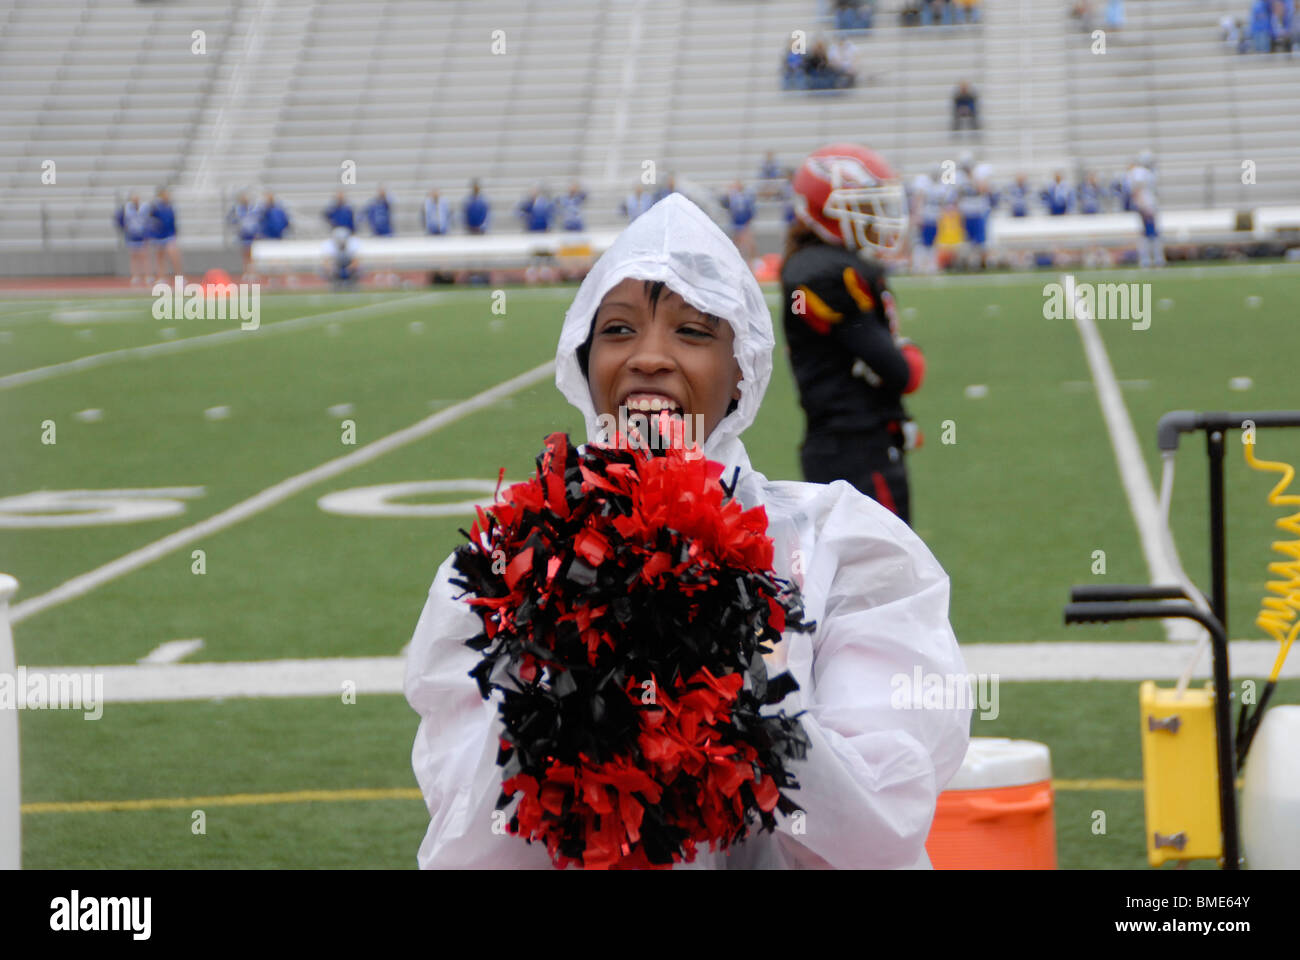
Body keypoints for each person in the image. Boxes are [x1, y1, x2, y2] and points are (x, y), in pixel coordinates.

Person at [404, 191, 971, 869]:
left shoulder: (840, 543)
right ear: (582, 363)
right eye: (617, 330)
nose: (649, 357)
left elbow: (880, 826)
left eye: (693, 331)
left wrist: (735, 681)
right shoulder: (507, 562)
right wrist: (559, 680)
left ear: (742, 371)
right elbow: (473, 840)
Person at [781, 143, 926, 526]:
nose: (874, 216)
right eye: (863, 205)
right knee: (884, 579)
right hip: (854, 451)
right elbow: (902, 372)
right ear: (826, 209)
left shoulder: (825, 264)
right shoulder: (824, 274)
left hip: (855, 444)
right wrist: (909, 356)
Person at [114, 191, 151, 285]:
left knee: (144, 256)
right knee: (134, 256)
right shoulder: (126, 208)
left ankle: (147, 275)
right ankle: (136, 276)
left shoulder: (144, 207)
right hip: (131, 234)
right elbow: (119, 219)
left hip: (142, 234)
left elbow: (149, 220)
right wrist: (124, 228)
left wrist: (148, 232)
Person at [147, 187, 181, 281]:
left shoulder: (169, 206)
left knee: (174, 256)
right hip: (159, 235)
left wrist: (174, 232)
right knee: (160, 257)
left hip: (169, 235)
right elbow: (150, 220)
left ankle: (179, 277)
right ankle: (161, 277)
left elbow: (172, 221)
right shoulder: (155, 207)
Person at [227, 192, 261, 280]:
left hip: (253, 235)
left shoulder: (254, 209)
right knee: (245, 255)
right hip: (243, 235)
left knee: (253, 255)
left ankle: (253, 272)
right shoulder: (237, 209)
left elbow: (259, 220)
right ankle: (246, 272)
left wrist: (258, 232)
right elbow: (230, 219)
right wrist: (237, 227)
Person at [320, 226, 361, 290]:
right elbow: (326, 262)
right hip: (336, 265)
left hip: (348, 265)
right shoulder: (328, 244)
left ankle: (351, 283)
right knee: (321, 270)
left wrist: (348, 270)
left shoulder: (353, 243)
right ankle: (335, 283)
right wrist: (335, 270)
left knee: (360, 269)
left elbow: (356, 261)